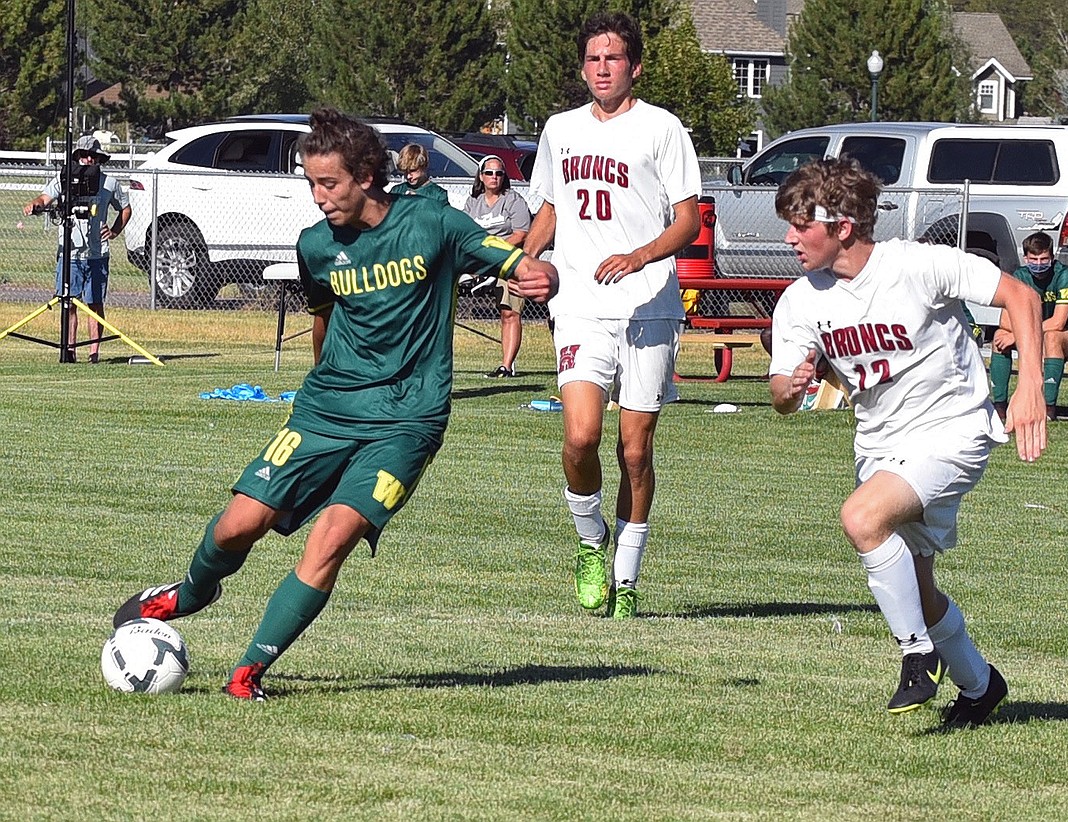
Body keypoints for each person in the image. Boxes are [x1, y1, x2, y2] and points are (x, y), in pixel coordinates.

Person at [112, 108, 558, 701]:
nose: (319, 197)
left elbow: (506, 257)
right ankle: (188, 592)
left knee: (332, 537)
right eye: (310, 183)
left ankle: (248, 673)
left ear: (368, 175)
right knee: (238, 525)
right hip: (326, 410)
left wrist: (536, 271)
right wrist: (316, 390)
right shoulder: (316, 246)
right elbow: (324, 320)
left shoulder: (432, 221)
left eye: (329, 184)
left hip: (408, 420)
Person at [768, 157, 1047, 727]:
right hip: (879, 444)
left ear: (842, 224)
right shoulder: (801, 300)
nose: (790, 237)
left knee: (861, 518)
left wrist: (1030, 386)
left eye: (802, 224)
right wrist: (790, 386)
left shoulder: (917, 264)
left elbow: (1023, 297)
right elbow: (780, 395)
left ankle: (916, 657)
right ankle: (979, 684)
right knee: (917, 585)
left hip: (953, 429)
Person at [524, 11, 701, 620]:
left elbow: (688, 220)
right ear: (582, 67)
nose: (604, 68)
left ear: (635, 66)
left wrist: (639, 255)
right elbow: (550, 209)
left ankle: (626, 579)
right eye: (594, 59)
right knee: (580, 437)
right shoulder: (560, 130)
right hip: (579, 305)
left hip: (649, 306)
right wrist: (522, 259)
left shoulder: (663, 129)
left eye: (614, 58)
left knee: (635, 450)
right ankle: (590, 540)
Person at [23, 135, 131, 363]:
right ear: (78, 157)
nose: (88, 159)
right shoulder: (64, 180)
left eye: (92, 155)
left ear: (99, 158)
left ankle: (94, 353)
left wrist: (114, 231)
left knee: (94, 304)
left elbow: (125, 208)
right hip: (69, 253)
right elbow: (44, 198)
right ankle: (69, 351)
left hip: (96, 254)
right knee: (68, 303)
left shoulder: (109, 183)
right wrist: (35, 205)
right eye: (84, 155)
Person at [989, 231, 1068, 421]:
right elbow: (1005, 322)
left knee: (1052, 337)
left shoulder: (1064, 275)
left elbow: (1058, 322)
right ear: (1025, 258)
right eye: (1033, 259)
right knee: (999, 335)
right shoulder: (1020, 276)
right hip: (1039, 331)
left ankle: (1048, 409)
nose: (1038, 264)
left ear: (1052, 257)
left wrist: (1018, 335)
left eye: (1043, 259)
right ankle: (999, 407)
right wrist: (1015, 334)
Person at [462, 155, 531, 377]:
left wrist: (493, 252)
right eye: (489, 173)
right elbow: (465, 233)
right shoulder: (473, 202)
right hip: (479, 262)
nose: (494, 177)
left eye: (499, 173)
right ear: (481, 176)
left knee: (508, 312)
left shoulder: (513, 200)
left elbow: (521, 234)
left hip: (508, 260)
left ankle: (506, 366)